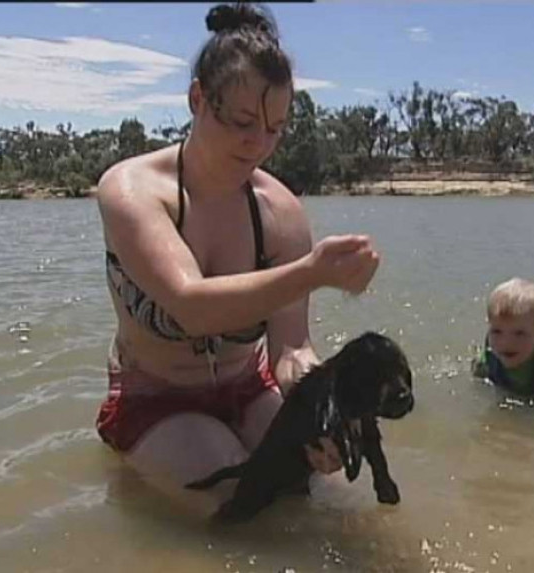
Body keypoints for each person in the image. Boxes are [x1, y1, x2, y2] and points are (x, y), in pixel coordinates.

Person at [94, 3, 378, 506]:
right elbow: (191, 304)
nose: (258, 144)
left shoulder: (280, 211)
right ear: (198, 98)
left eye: (275, 128)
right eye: (243, 121)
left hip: (247, 387)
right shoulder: (130, 189)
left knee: (318, 491)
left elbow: (291, 350)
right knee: (233, 498)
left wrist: (320, 405)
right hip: (156, 398)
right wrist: (311, 273)